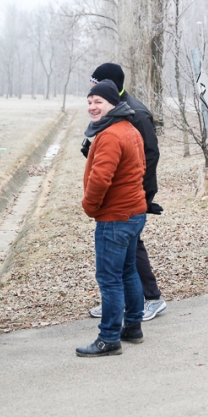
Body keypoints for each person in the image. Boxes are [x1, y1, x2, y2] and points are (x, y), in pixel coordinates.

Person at [84, 63, 167, 322]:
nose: (93, 90)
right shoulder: (112, 112)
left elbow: (148, 155)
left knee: (129, 254)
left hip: (129, 198)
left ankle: (152, 299)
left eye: (96, 84)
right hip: (124, 197)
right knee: (126, 258)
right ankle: (125, 308)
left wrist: (141, 195)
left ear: (109, 85)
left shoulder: (136, 114)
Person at [76, 80, 147, 357]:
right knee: (128, 271)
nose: (92, 107)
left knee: (109, 279)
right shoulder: (128, 129)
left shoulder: (110, 135)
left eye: (98, 102)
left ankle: (109, 338)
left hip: (115, 217)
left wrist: (89, 206)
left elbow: (100, 178)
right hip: (133, 214)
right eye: (90, 101)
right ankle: (133, 327)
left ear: (113, 105)